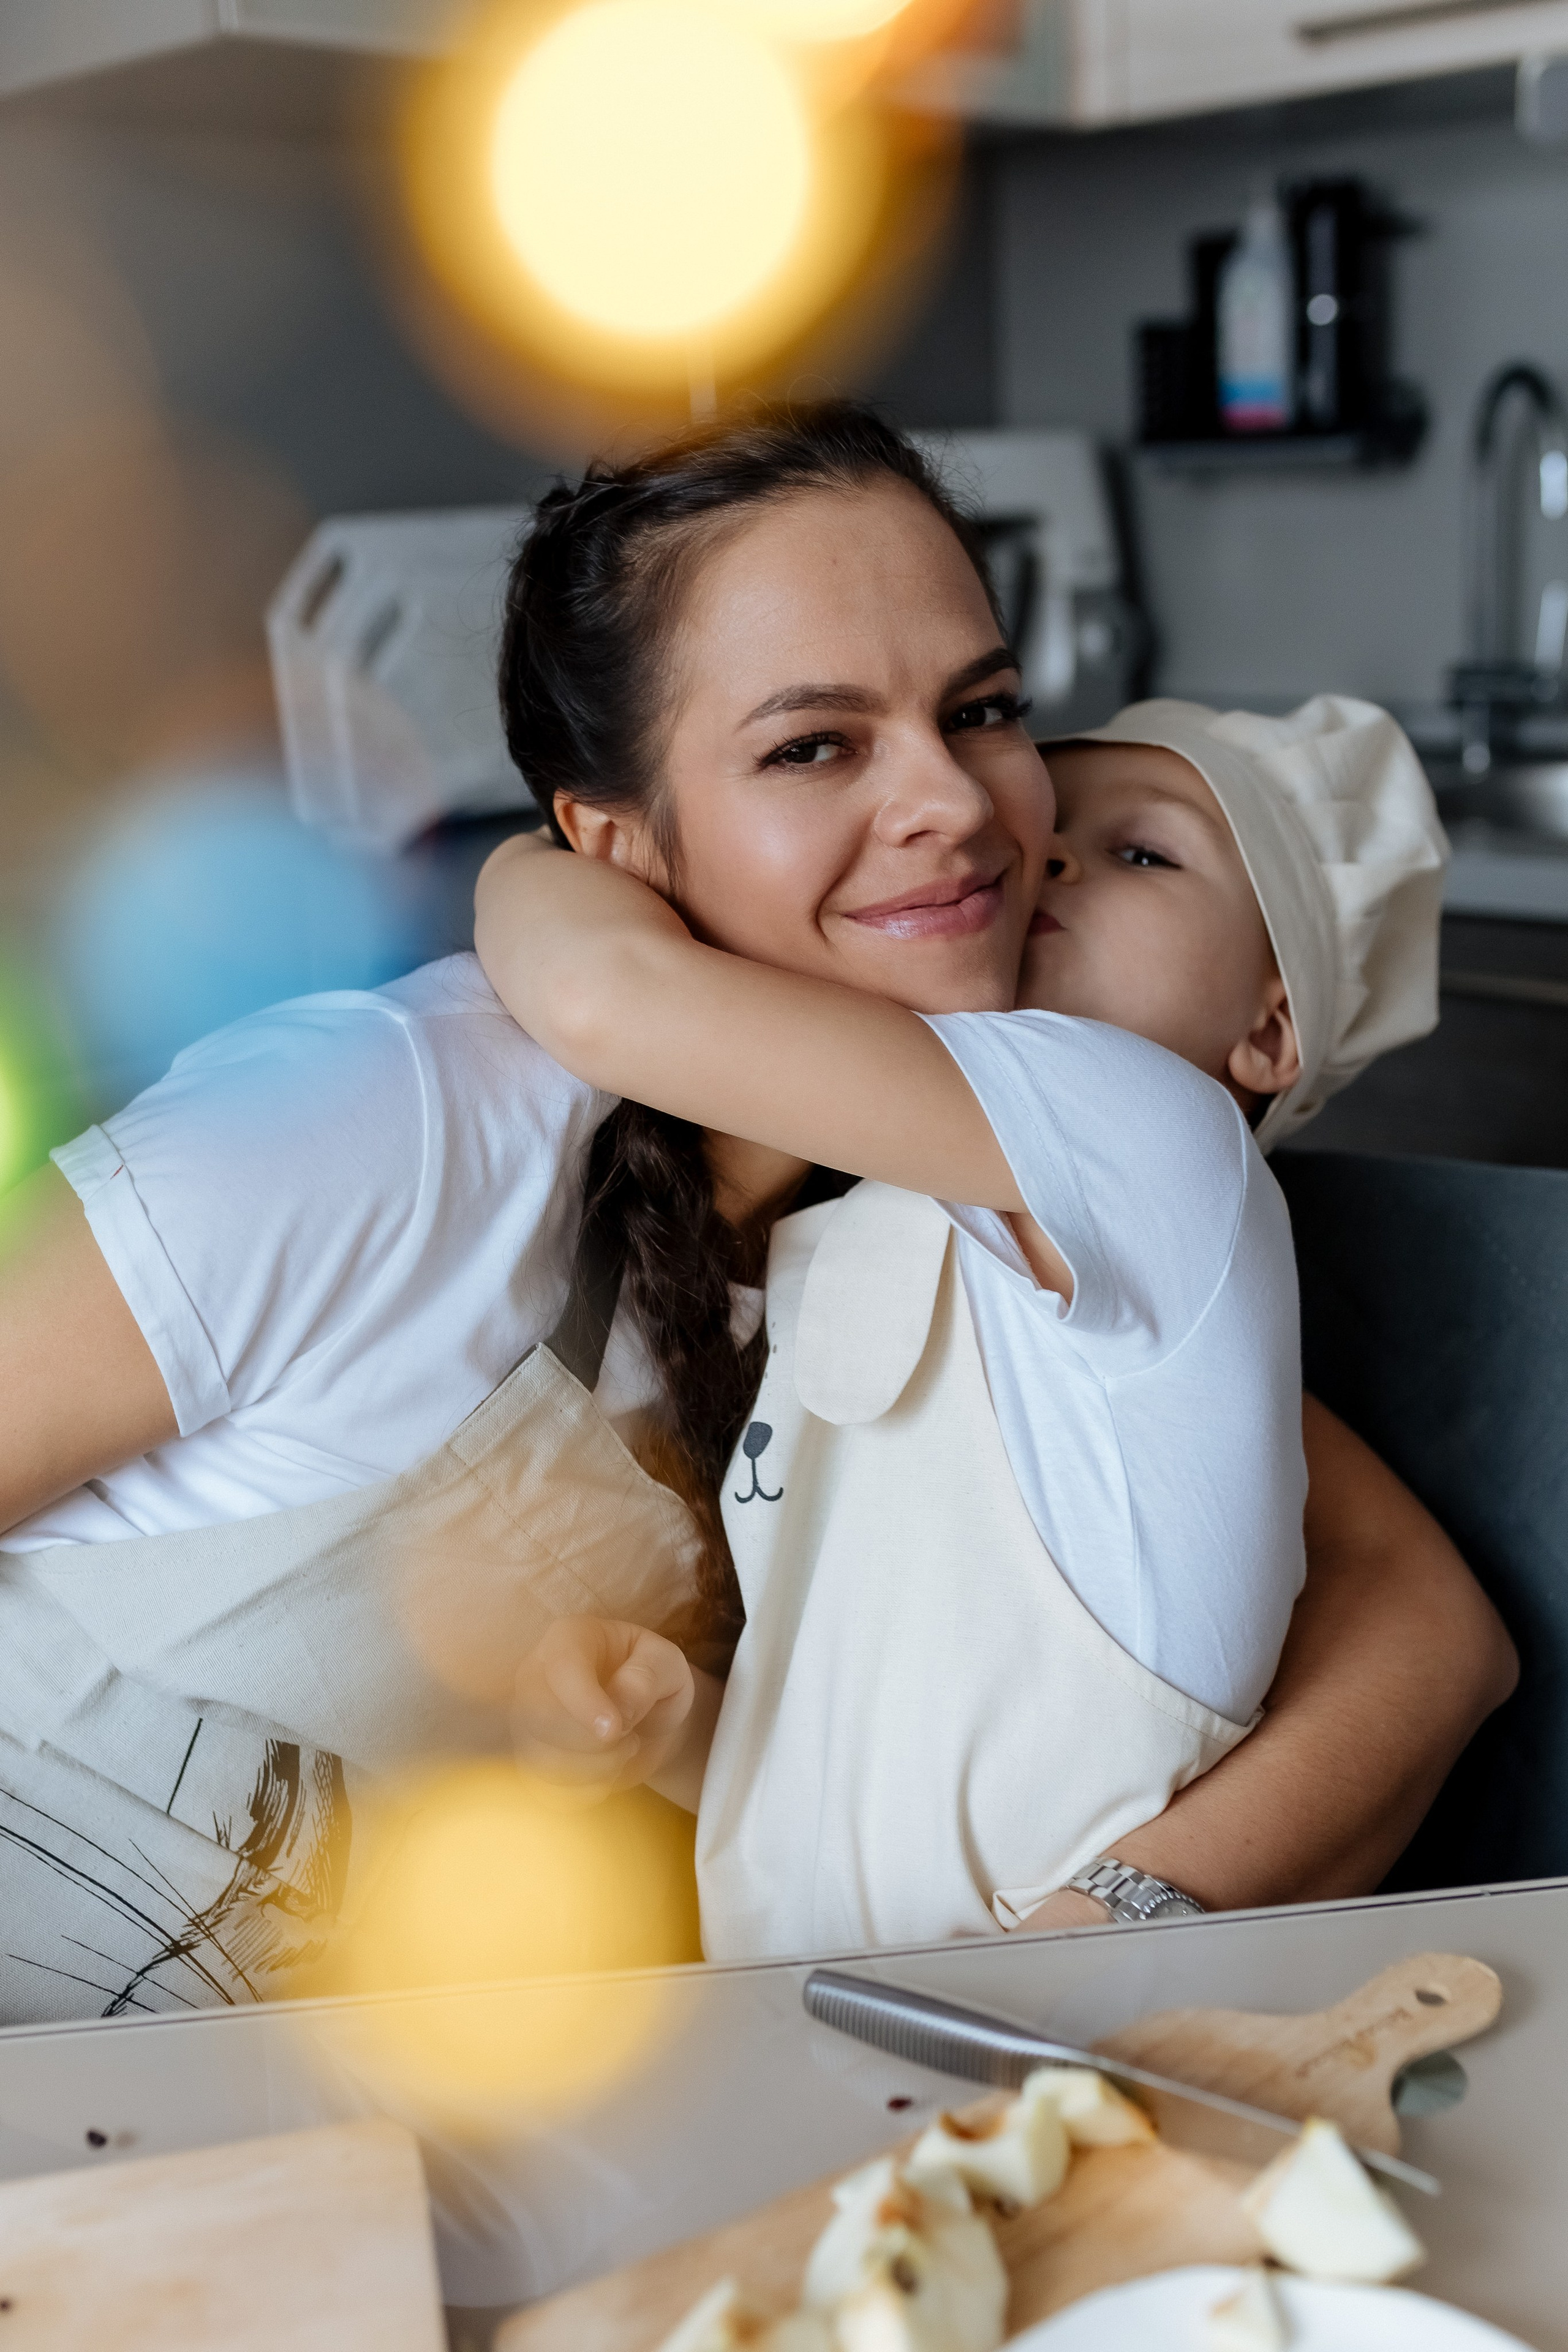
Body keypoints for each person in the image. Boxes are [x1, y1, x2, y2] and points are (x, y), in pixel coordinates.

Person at [0, 405, 1512, 2021]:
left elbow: (1423, 1624)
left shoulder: (962, 1203)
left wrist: (1095, 1942)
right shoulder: (395, 1119)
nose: (973, 809)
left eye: (983, 709)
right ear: (618, 840)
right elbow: (599, 990)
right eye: (814, 744)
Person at [476, 645, 1449, 1956]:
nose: (1040, 857)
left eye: (1143, 856)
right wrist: (687, 1730)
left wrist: (533, 857)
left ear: (1266, 1037)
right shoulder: (863, 1234)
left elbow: (607, 995)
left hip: (1033, 2050)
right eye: (1046, 828)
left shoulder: (1153, 1135)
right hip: (793, 2027)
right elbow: (871, 1765)